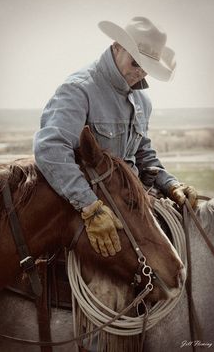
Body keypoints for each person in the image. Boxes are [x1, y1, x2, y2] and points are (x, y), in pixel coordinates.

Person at [33, 16, 197, 258]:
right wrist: (90, 207)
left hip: (130, 201)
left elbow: (142, 152)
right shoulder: (79, 89)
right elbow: (51, 149)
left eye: (147, 68)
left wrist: (169, 182)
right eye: (135, 63)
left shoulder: (142, 100)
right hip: (87, 204)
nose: (140, 72)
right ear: (117, 46)